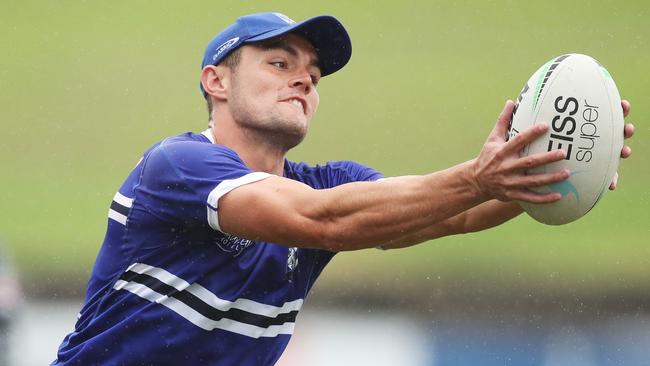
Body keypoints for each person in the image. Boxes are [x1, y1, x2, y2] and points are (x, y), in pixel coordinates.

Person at [52, 12, 635, 365]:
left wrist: (546, 169)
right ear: (216, 82)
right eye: (280, 63)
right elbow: (321, 221)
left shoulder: (332, 185)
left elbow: (450, 214)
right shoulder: (178, 166)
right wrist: (478, 176)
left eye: (313, 72)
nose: (305, 76)